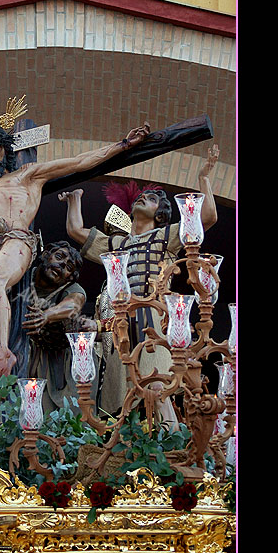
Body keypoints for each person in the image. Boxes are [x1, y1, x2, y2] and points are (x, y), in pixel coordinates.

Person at [0, 83, 151, 383]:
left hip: (15, 237)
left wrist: (123, 145)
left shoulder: (28, 176)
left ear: (6, 151)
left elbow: (78, 162)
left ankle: (3, 353)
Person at [59, 144, 220, 427]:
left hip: (152, 318)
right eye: (143, 195)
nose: (144, 197)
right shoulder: (116, 244)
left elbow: (206, 218)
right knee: (118, 392)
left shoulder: (166, 236)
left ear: (160, 215)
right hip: (120, 322)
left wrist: (204, 177)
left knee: (157, 387)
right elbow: (75, 231)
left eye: (152, 198)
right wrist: (75, 199)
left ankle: (171, 442)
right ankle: (121, 448)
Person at [22, 241, 98, 415]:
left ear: (69, 277)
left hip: (69, 361)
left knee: (75, 415)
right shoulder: (23, 277)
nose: (62, 265)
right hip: (35, 358)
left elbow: (74, 303)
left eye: (69, 266)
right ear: (45, 255)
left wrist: (46, 315)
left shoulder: (73, 289)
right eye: (59, 256)